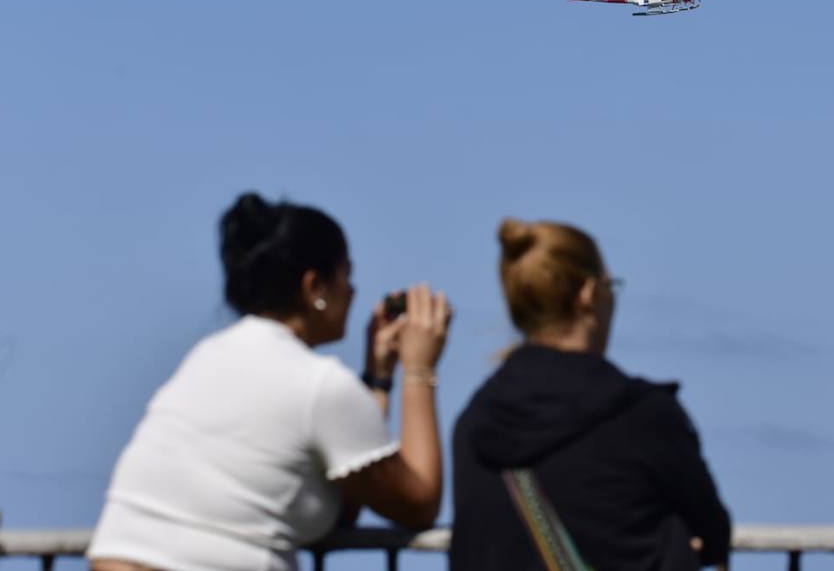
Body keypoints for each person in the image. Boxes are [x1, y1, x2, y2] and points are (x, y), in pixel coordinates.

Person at [88, 192, 454, 571]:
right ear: (315, 288)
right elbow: (418, 503)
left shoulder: (210, 357)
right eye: (346, 275)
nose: (353, 291)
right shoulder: (319, 384)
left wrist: (377, 377)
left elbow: (349, 489)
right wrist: (419, 369)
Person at [450, 218, 731, 570]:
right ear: (587, 294)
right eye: (609, 286)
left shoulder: (475, 423)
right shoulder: (644, 416)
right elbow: (713, 533)